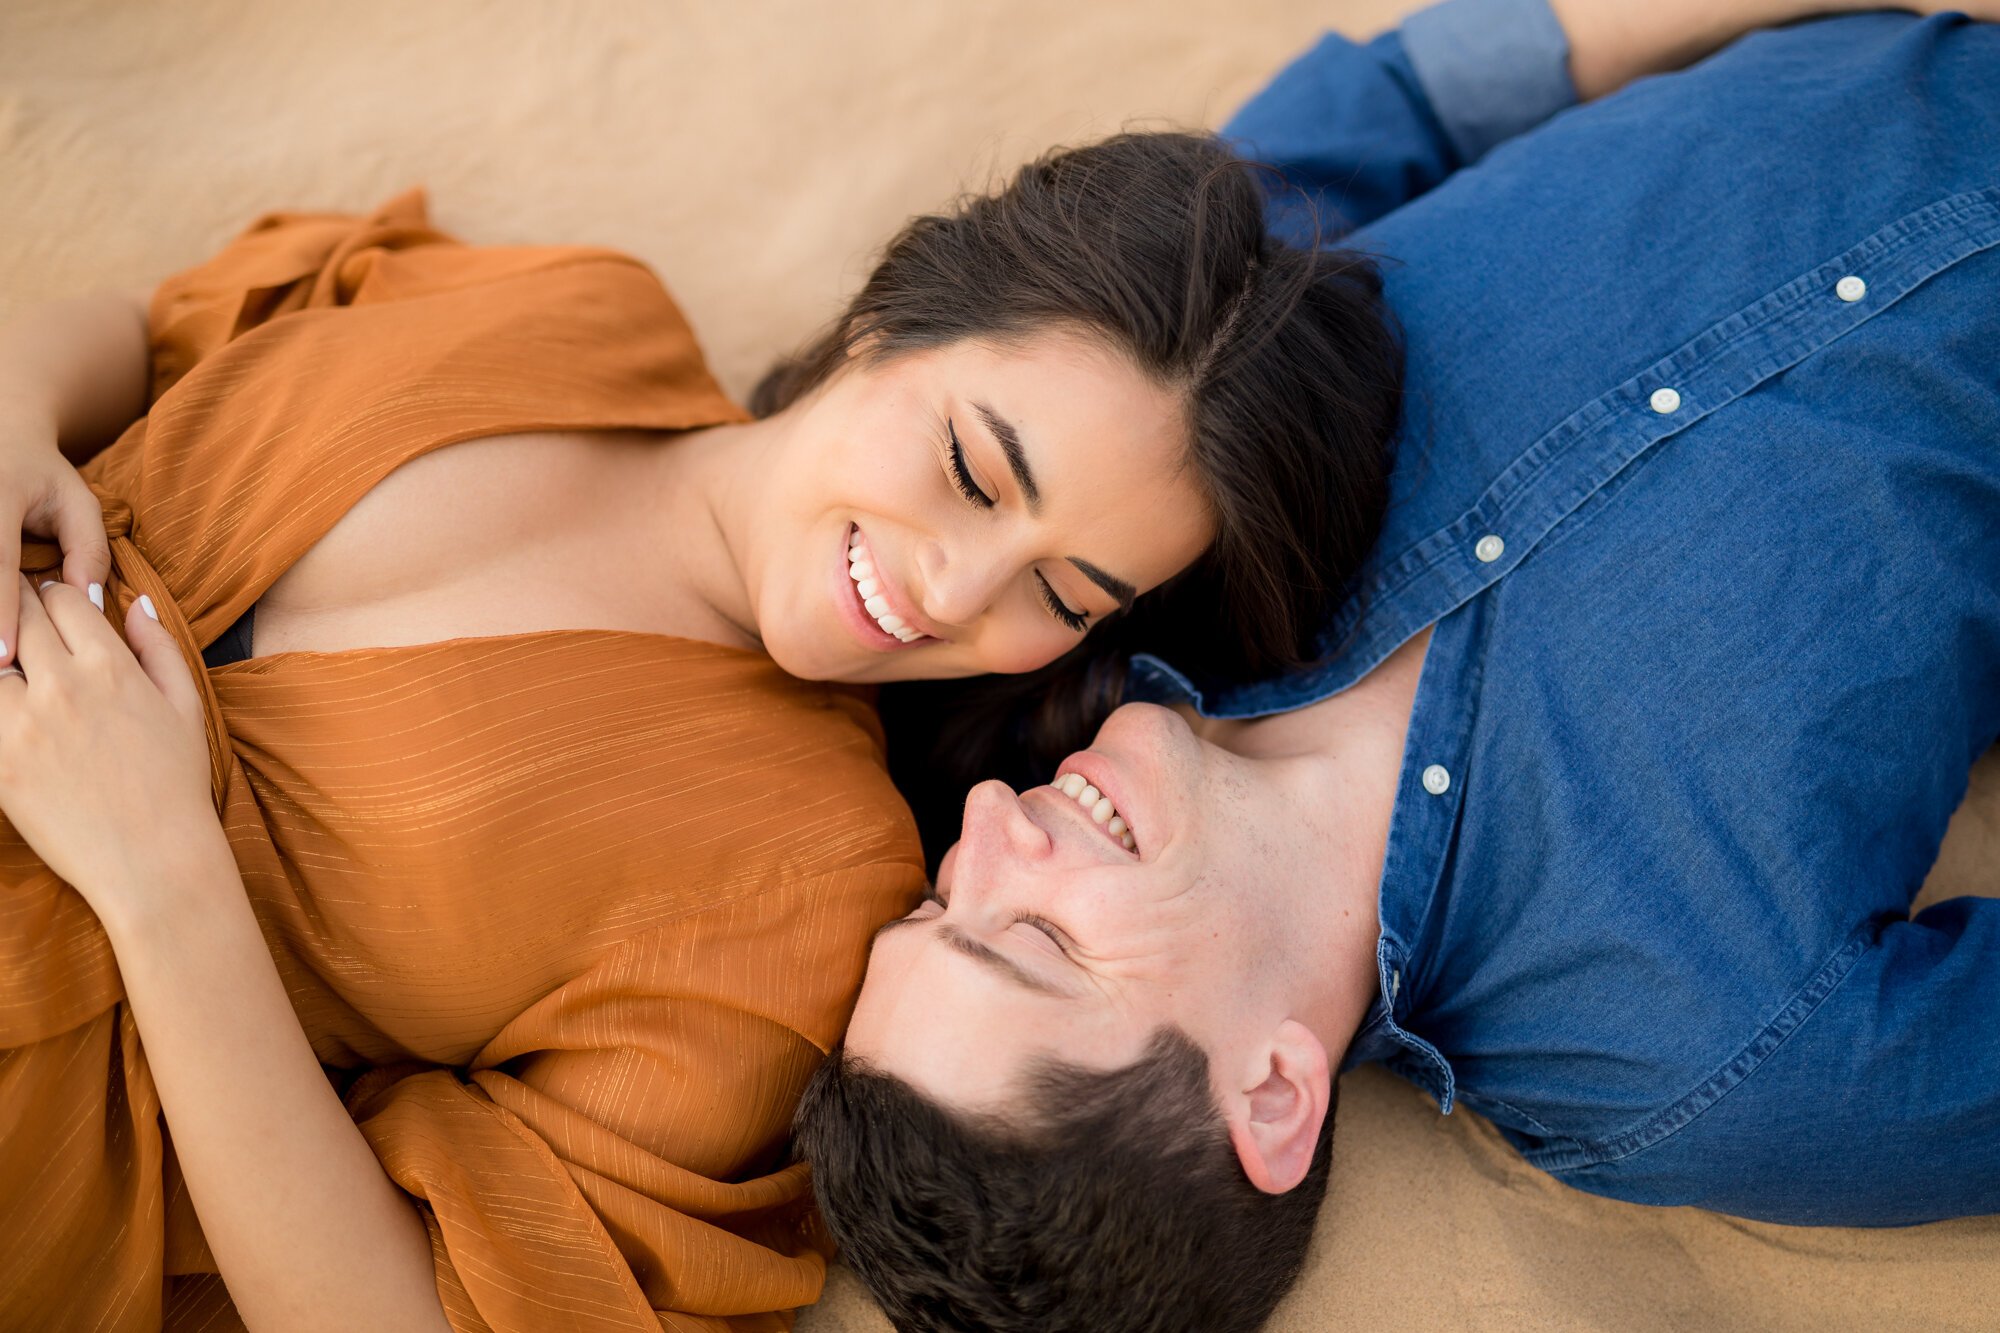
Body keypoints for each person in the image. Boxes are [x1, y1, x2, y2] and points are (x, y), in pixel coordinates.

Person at [0, 131, 1400, 1329]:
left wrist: (160, 877)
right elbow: (163, 329)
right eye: (971, 469)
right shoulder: (587, 311)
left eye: (1061, 591)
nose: (953, 593)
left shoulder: (805, 888)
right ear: (894, 314)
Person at [798, 2, 2000, 1330]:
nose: (985, 830)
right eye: (1029, 938)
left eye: (939, 899)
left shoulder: (1132, 530)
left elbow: (1396, 105)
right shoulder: (1701, 1058)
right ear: (1268, 1091)